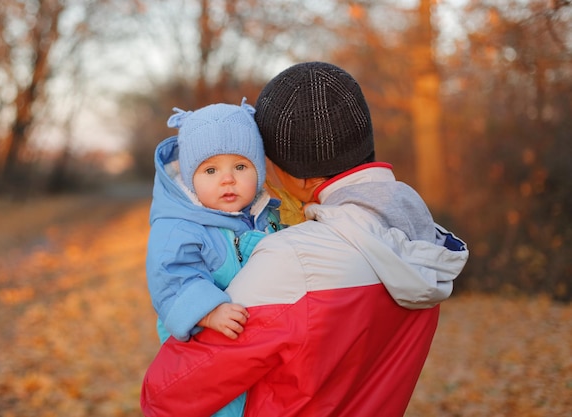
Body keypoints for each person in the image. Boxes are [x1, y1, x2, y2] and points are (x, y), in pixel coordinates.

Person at [141, 62, 469, 417]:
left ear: (292, 171)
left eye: (250, 163)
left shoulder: (292, 261)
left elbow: (166, 395)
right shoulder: (421, 243)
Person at [145, 98, 283, 417]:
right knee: (219, 405)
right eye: (210, 169)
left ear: (258, 171)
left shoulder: (267, 214)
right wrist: (208, 311)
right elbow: (170, 274)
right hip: (205, 343)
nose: (227, 179)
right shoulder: (180, 225)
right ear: (190, 176)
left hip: (256, 342)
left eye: (240, 166)